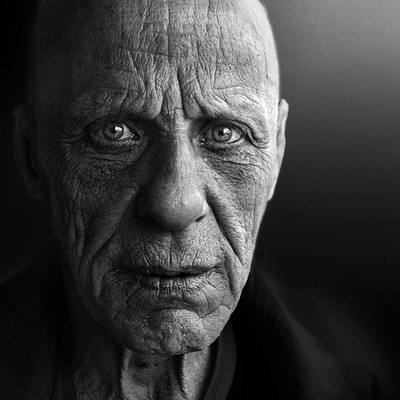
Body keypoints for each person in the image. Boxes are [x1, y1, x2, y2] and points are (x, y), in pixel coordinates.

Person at [0, 0, 395, 398]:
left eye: (225, 133)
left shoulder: (353, 376)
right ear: (31, 157)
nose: (175, 205)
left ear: (276, 155)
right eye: (114, 132)